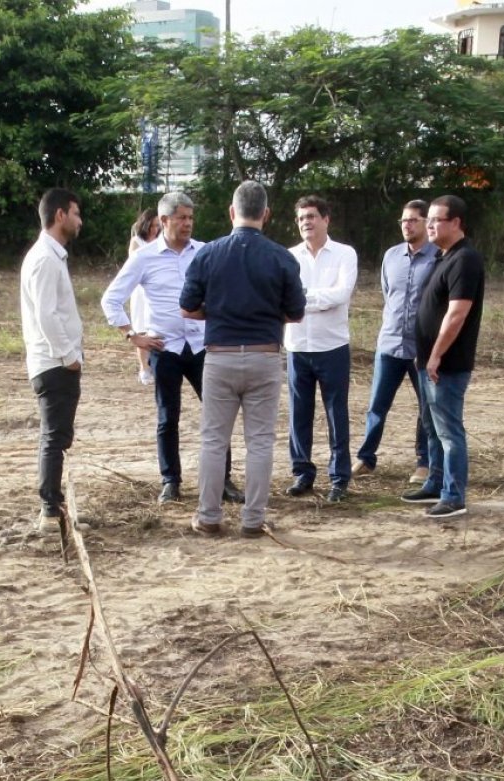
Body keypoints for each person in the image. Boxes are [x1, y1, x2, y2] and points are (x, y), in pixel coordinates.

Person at [101, 192, 245, 506]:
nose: (187, 224)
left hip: (202, 346)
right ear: (164, 220)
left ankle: (223, 480)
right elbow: (110, 298)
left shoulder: (207, 252)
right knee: (168, 418)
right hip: (164, 348)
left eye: (190, 218)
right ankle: (171, 481)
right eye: (181, 218)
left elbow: (226, 292)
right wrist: (132, 335)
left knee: (217, 415)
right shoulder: (144, 257)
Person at [179, 180, 306, 537]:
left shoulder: (207, 254)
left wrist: (216, 313)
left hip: (219, 357)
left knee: (214, 440)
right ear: (265, 214)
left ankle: (208, 516)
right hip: (265, 356)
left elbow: (187, 307)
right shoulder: (283, 257)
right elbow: (296, 313)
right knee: (261, 441)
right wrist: (266, 314)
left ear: (232, 212)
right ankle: (252, 519)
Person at [401, 195, 485, 519]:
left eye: (437, 220)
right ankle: (435, 483)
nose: (430, 225)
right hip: (428, 363)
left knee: (449, 430)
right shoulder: (443, 257)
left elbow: (457, 314)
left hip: (447, 365)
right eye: (429, 220)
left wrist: (435, 356)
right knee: (432, 428)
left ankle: (454, 495)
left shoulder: (465, 260)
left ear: (456, 223)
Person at [354, 200, 438, 484]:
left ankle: (424, 462)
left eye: (413, 220)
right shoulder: (390, 256)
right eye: (403, 220)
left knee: (426, 407)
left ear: (427, 223)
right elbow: (388, 293)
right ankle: (366, 458)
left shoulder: (439, 257)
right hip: (389, 344)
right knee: (377, 404)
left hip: (422, 349)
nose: (406, 225)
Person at [283, 195, 358, 503]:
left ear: (326, 219)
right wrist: (314, 300)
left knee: (335, 413)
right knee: (298, 413)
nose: (306, 223)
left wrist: (302, 299)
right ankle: (302, 473)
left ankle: (339, 477)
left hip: (332, 346)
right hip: (297, 345)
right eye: (301, 218)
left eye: (312, 216)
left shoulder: (344, 254)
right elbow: (283, 298)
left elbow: (341, 295)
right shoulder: (288, 256)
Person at [20, 188, 84, 533]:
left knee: (58, 436)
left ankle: (55, 507)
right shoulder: (44, 259)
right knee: (54, 437)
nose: (79, 220)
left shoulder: (51, 255)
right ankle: (49, 511)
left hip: (55, 362)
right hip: (53, 364)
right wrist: (69, 357)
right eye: (75, 213)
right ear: (60, 215)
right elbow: (46, 315)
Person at [128, 208, 160, 383]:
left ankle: (154, 363)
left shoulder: (161, 241)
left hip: (155, 289)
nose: (155, 229)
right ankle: (144, 367)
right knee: (141, 328)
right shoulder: (136, 241)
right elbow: (133, 264)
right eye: (153, 225)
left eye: (158, 225)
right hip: (140, 291)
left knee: (154, 328)